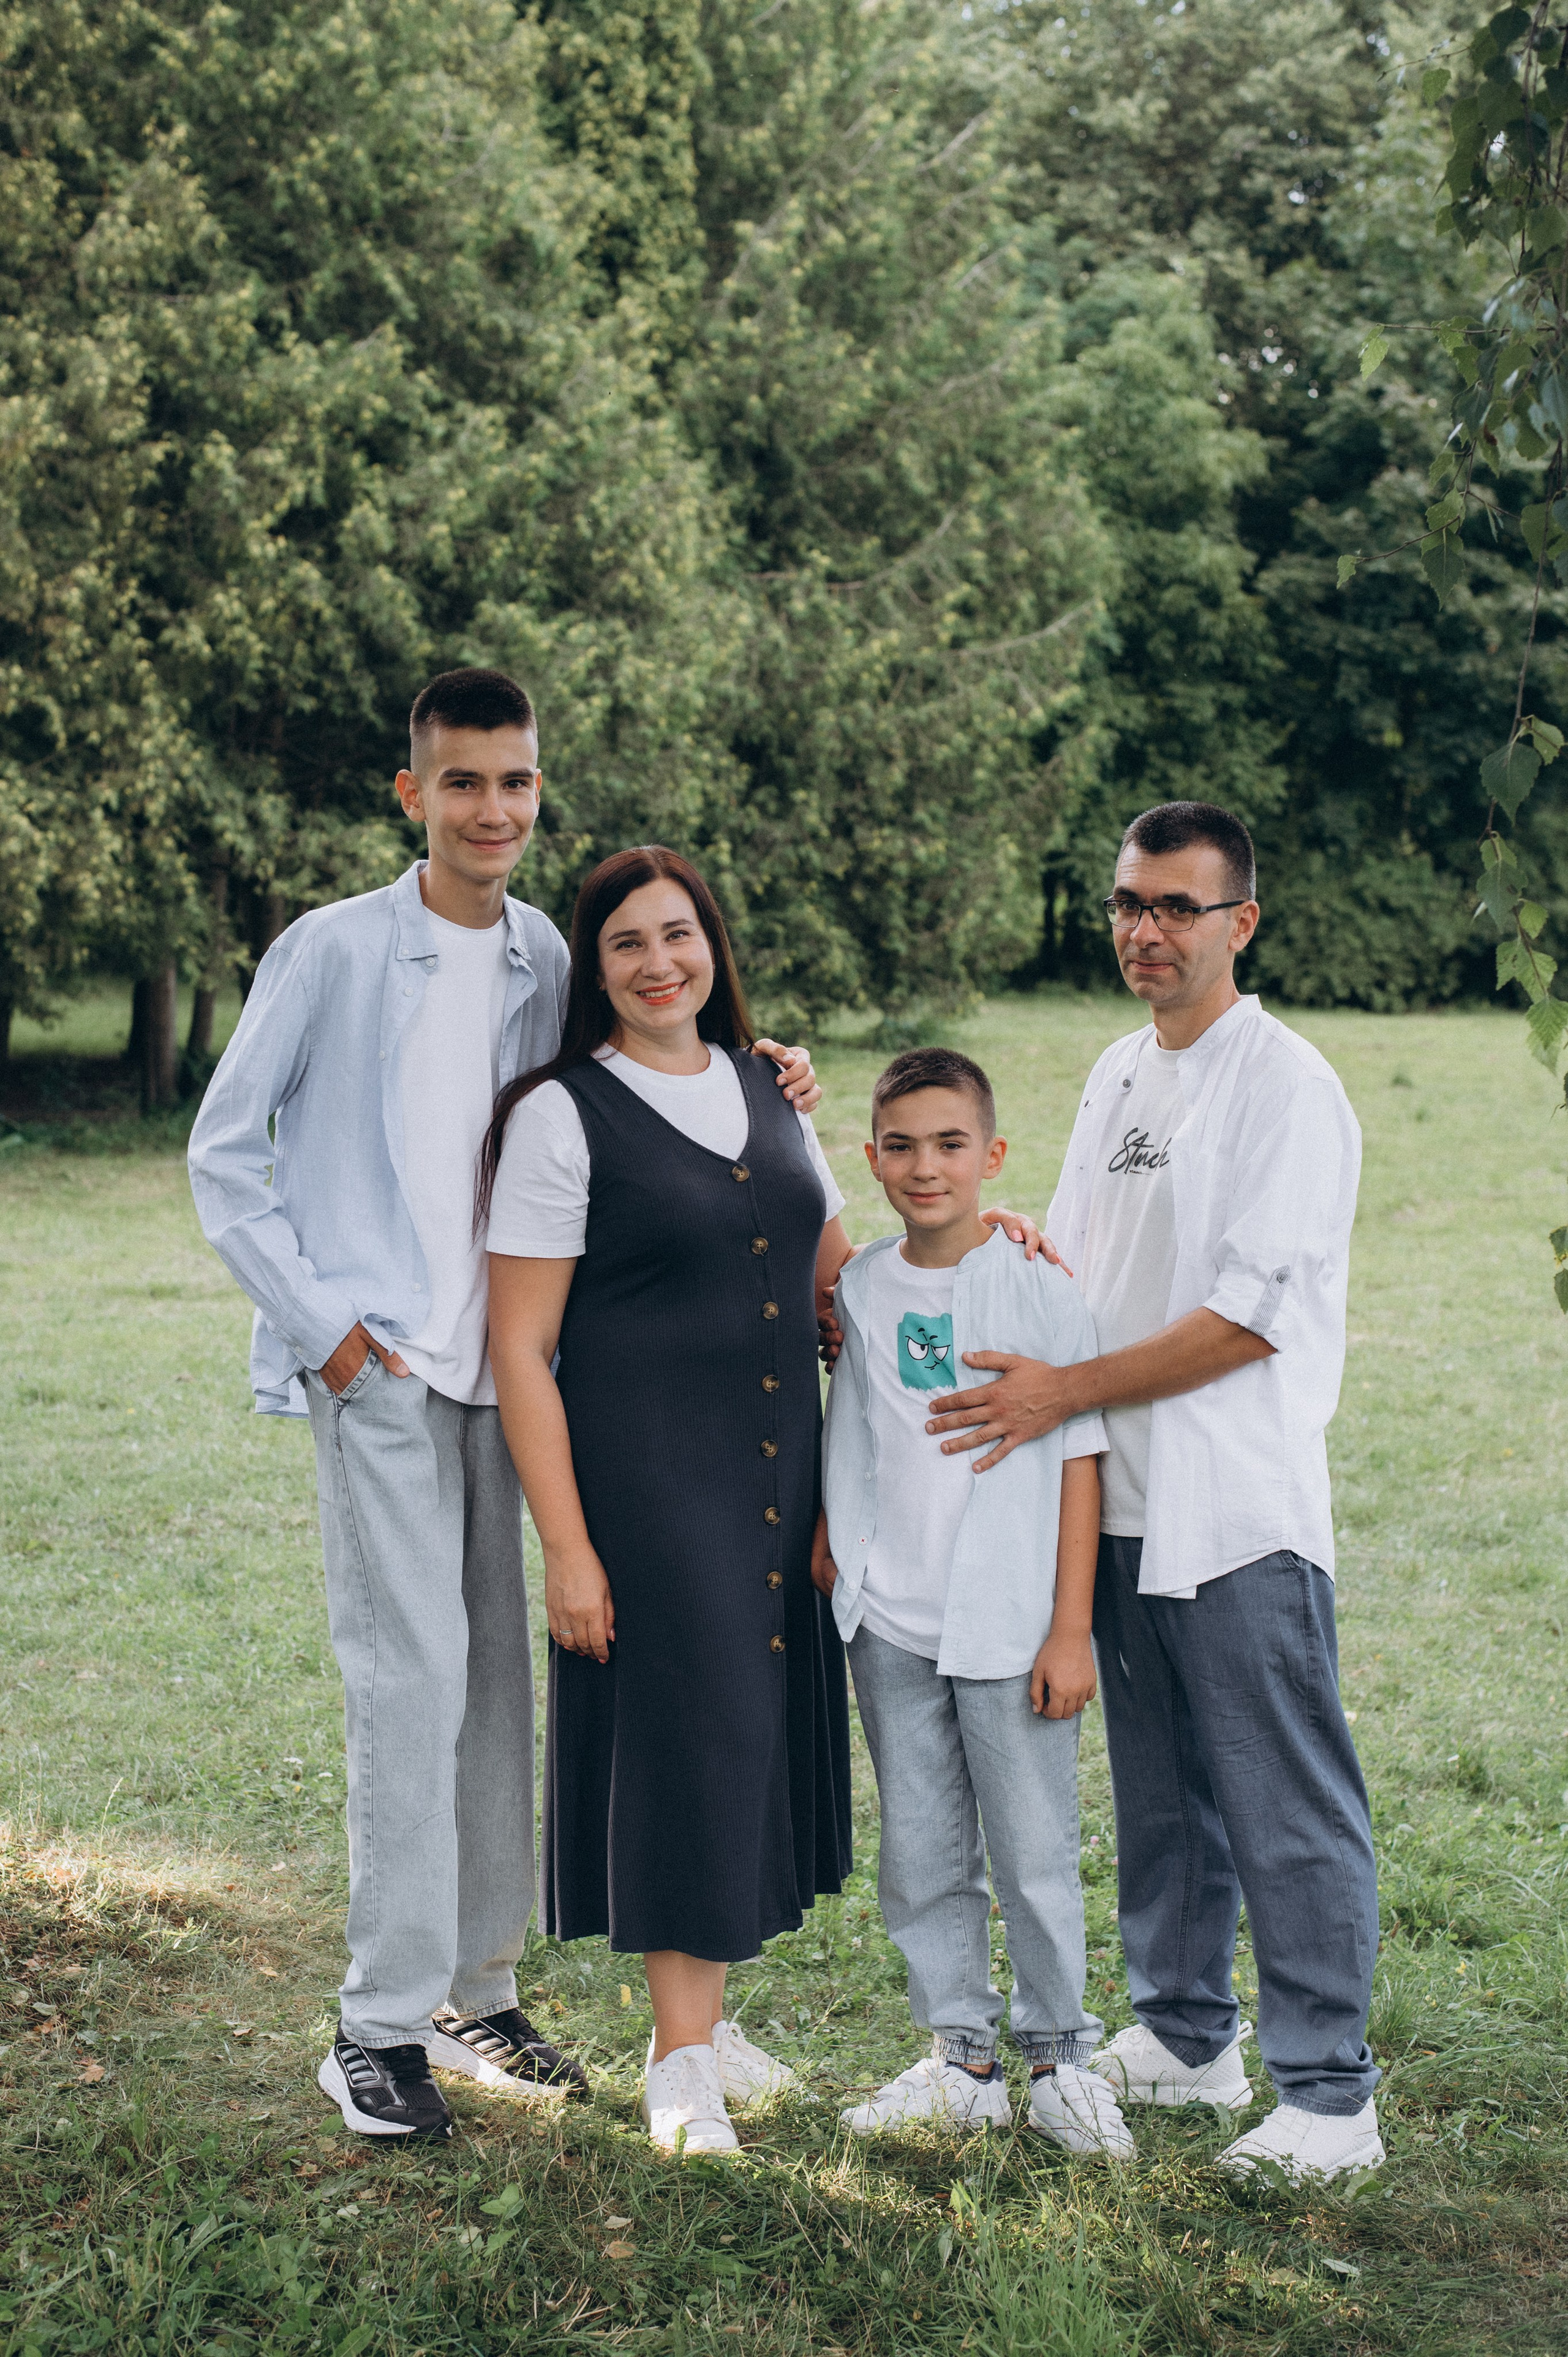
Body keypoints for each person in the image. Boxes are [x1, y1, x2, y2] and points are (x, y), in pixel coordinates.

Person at [187, 671, 820, 2142]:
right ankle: (373, 2025)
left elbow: (623, 1081)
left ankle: (476, 1991)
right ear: (412, 794)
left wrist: (761, 1066)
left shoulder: (546, 947)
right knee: (408, 1687)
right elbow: (226, 1156)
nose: (493, 809)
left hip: (517, 1377)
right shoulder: (332, 949)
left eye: (516, 782)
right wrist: (333, 1337)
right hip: (388, 1371)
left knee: (492, 1699)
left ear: (539, 790)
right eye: (462, 782)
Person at [923, 801, 1382, 2184]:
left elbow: (1247, 1319)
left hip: (1230, 1506)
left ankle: (1329, 2096)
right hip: (1109, 1503)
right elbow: (1076, 1259)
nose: (1145, 930)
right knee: (1167, 1794)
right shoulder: (1118, 1071)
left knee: (1278, 1794)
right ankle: (1188, 2034)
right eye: (1129, 902)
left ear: (1238, 922)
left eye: (1177, 907)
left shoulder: (1283, 1084)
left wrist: (1064, 1390)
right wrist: (1000, 1248)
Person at [478, 845, 858, 2154]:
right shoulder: (559, 1115)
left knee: (745, 1733)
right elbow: (519, 1348)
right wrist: (567, 1550)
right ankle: (680, 2066)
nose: (659, 963)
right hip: (648, 1482)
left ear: (714, 945)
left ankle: (704, 2025)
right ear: (595, 969)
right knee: (688, 1743)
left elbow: (839, 1278)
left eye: (678, 934)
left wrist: (991, 1247)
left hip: (777, 1471)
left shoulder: (769, 1088)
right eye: (628, 943)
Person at [813, 1048, 1133, 2157]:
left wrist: (1068, 1627)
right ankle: (961, 2054)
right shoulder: (858, 1285)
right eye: (899, 1145)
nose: (924, 1165)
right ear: (873, 1159)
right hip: (892, 1617)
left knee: (1034, 1850)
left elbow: (1081, 1458)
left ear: (992, 1157)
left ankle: (1059, 2058)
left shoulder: (1037, 1287)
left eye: (951, 1144)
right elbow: (855, 1425)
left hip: (1009, 1626)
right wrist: (832, 1540)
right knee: (922, 1850)